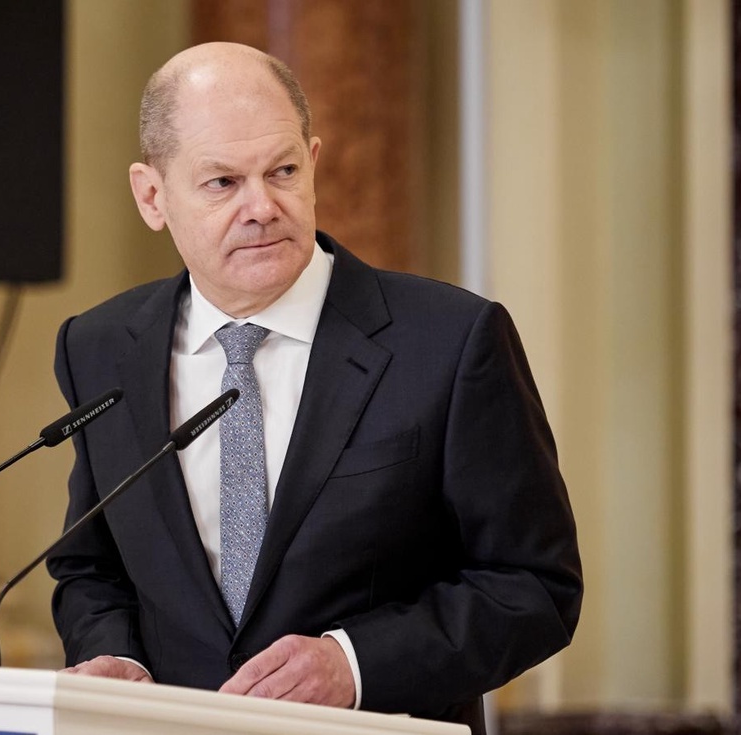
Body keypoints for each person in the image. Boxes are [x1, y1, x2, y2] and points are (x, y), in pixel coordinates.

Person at [46, 42, 582, 734]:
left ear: (315, 163)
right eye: (223, 182)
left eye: (283, 171)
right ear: (152, 196)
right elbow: (90, 568)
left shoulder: (450, 341)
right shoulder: (99, 348)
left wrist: (354, 665)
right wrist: (115, 656)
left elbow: (534, 587)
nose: (262, 207)